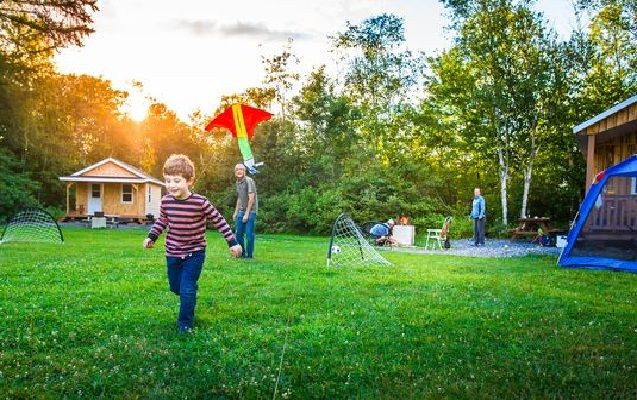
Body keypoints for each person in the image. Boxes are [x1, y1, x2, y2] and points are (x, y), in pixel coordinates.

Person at [143, 154, 242, 333]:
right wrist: (152, 236)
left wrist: (232, 242)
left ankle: (185, 324)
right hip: (172, 252)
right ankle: (188, 291)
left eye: (177, 180)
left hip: (194, 253)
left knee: (187, 289)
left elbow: (219, 221)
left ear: (190, 181)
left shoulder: (200, 202)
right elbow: (162, 221)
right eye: (167, 180)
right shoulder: (166, 202)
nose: (171, 185)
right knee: (176, 287)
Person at [232, 163, 258, 258]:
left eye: (241, 169)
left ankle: (249, 255)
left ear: (244, 171)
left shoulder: (248, 181)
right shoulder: (238, 182)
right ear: (235, 172)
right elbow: (239, 198)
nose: (239, 171)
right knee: (238, 233)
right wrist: (236, 212)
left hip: (251, 210)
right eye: (237, 169)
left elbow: (251, 198)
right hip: (242, 210)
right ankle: (242, 253)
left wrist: (246, 214)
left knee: (248, 234)